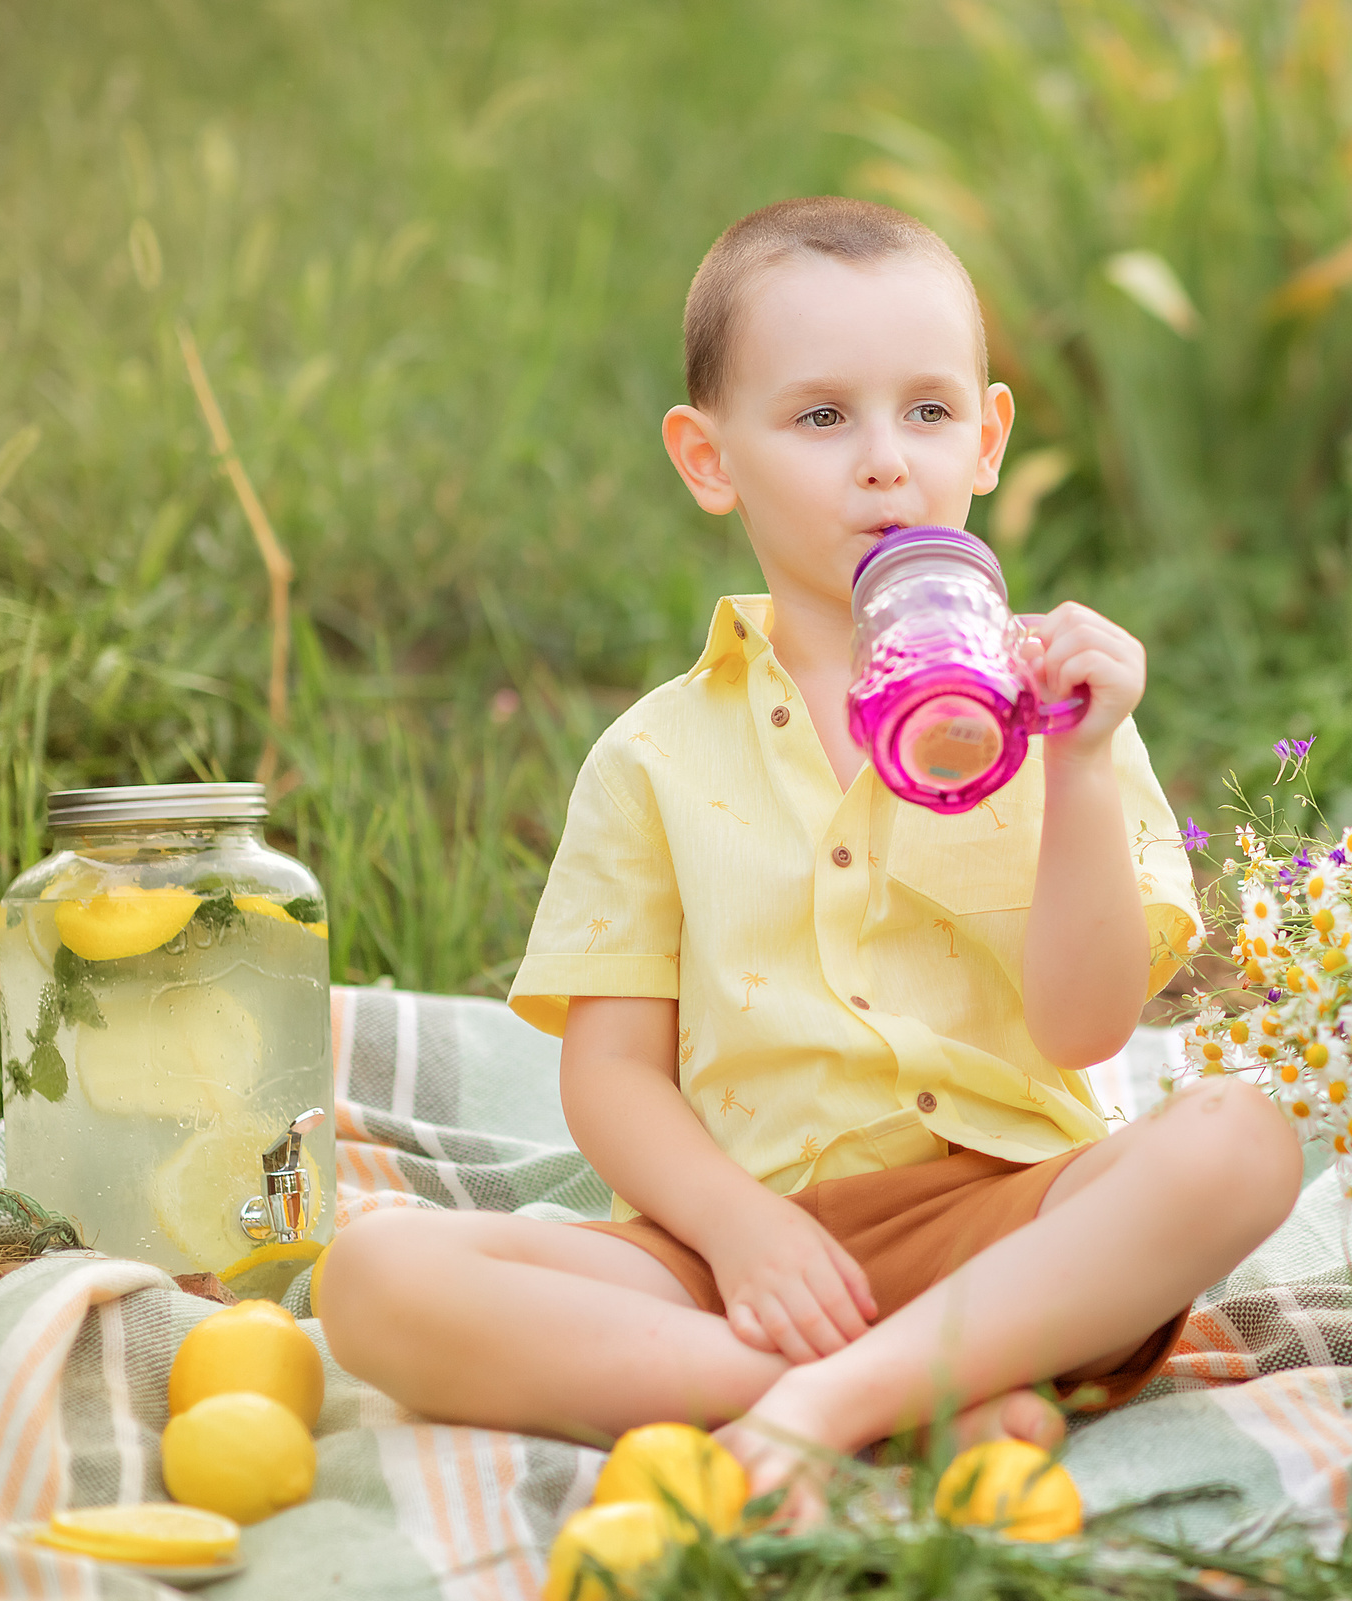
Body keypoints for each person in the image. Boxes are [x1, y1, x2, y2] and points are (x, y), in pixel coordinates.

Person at [318, 197, 1301, 1519]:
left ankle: (818, 1406)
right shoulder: (656, 755)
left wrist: (1071, 762)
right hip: (739, 1248)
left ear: (991, 437)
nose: (886, 462)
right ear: (709, 458)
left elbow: (1085, 1029)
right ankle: (915, 1393)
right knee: (374, 1282)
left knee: (1242, 1137)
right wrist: (738, 1227)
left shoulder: (1061, 714)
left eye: (929, 412)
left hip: (1012, 1232)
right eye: (823, 417)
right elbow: (611, 1077)